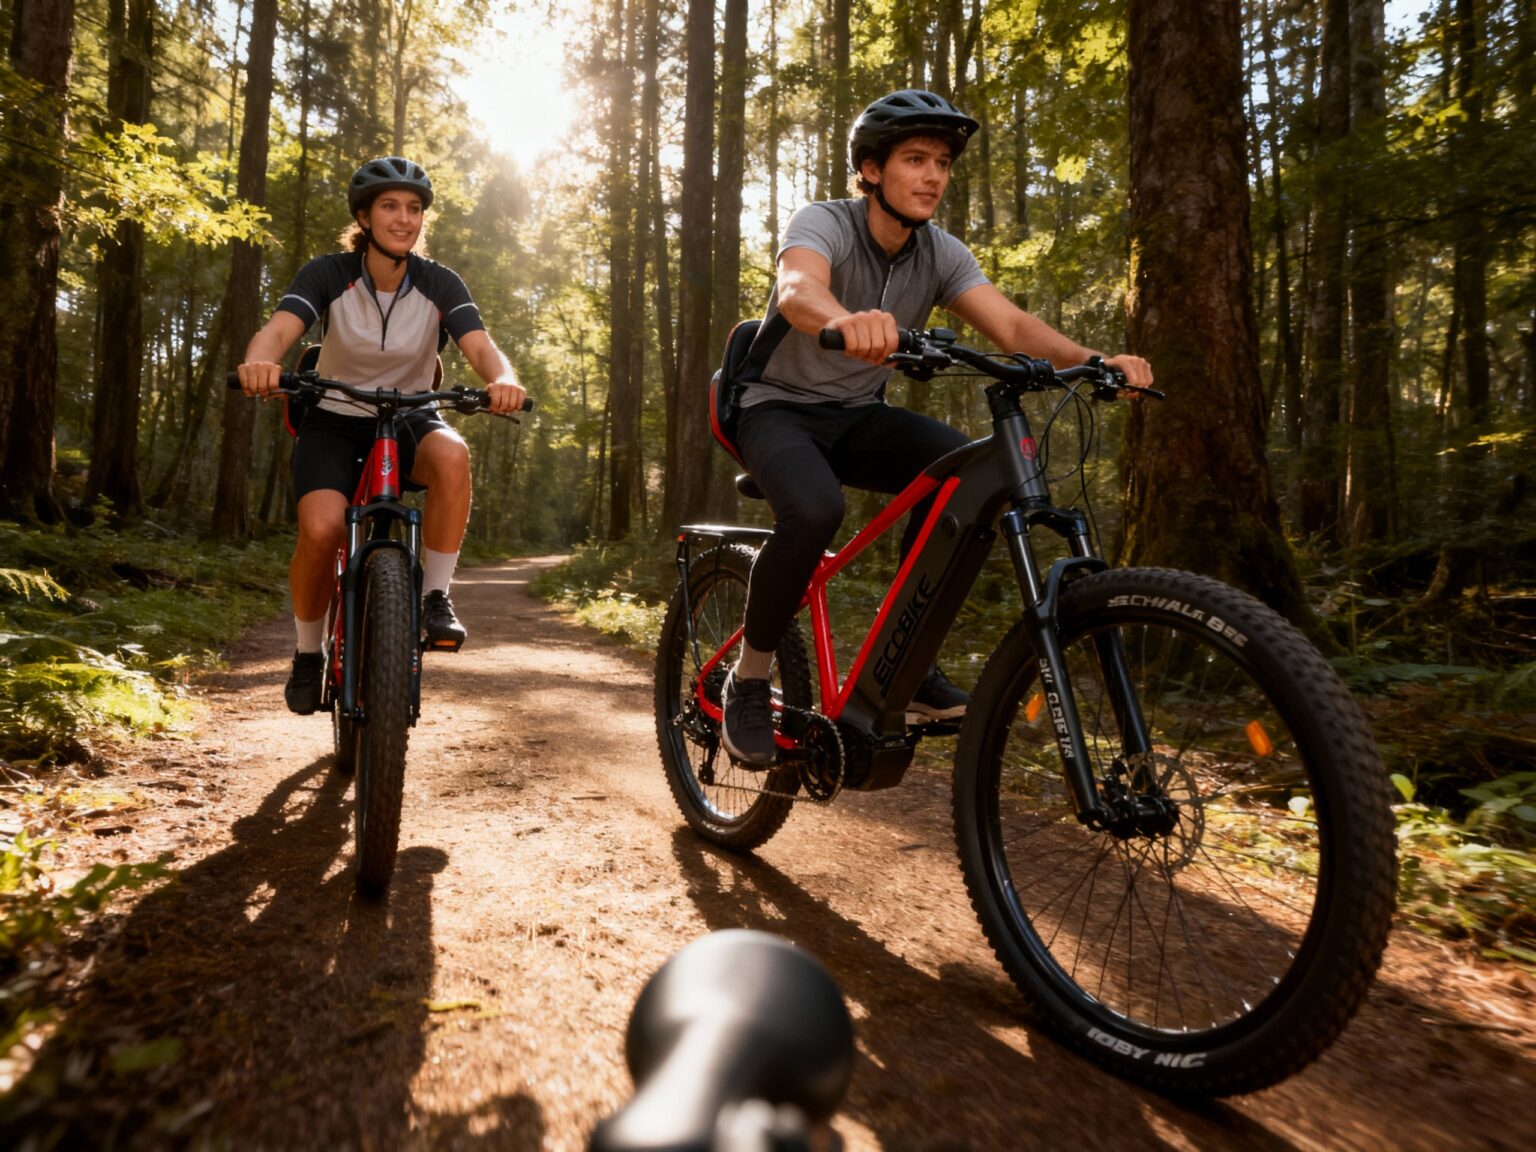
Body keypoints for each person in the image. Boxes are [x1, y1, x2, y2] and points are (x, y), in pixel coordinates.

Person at [720, 89, 1154, 766]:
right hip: (774, 405)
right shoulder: (826, 222)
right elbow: (797, 290)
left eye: (942, 163)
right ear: (871, 170)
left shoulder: (940, 253)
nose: (932, 176)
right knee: (813, 510)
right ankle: (748, 679)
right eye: (914, 158)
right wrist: (842, 320)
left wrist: (1096, 362)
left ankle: (907, 663)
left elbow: (1012, 327)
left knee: (967, 474)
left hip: (857, 415)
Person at [237, 156, 527, 715]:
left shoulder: (439, 282)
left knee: (453, 455)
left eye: (414, 208)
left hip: (409, 413)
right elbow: (278, 330)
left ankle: (434, 597)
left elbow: (480, 345)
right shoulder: (328, 273)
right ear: (365, 218)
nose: (404, 218)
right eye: (390, 207)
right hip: (334, 416)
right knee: (322, 529)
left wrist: (503, 380)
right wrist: (259, 363)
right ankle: (306, 653)